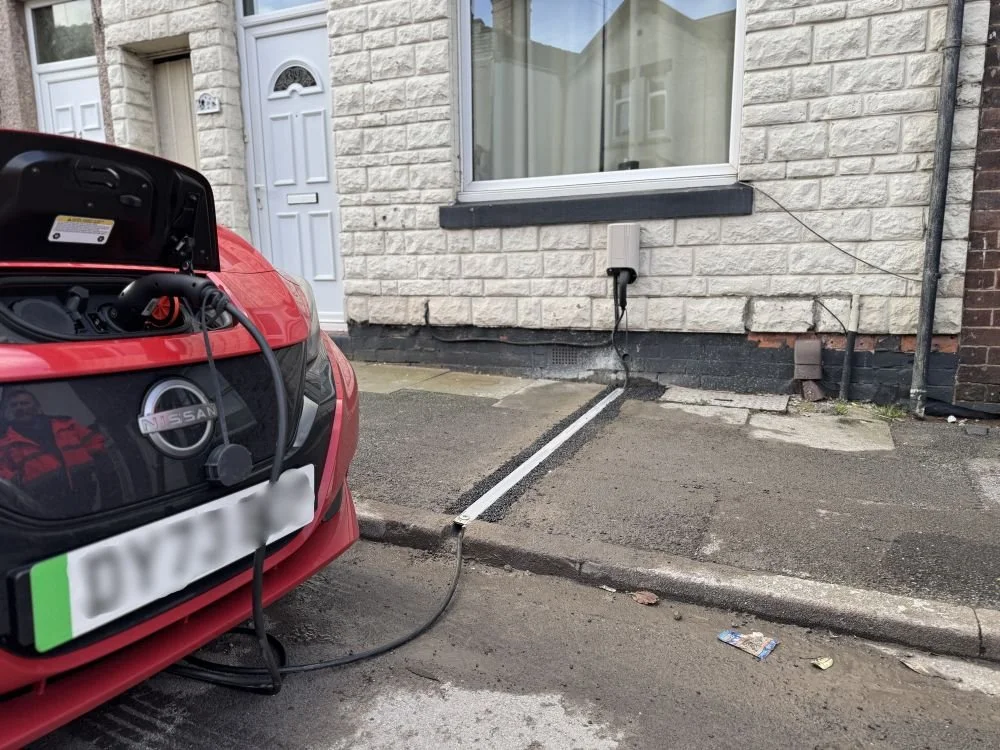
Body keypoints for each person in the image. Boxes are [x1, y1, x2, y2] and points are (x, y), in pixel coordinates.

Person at [0, 388, 111, 516]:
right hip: (43, 510)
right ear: (9, 411)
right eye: (14, 405)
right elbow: (2, 473)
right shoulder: (5, 442)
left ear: (37, 406)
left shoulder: (66, 424)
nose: (20, 408)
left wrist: (93, 461)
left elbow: (96, 442)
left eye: (25, 403)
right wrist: (17, 481)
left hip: (89, 497)